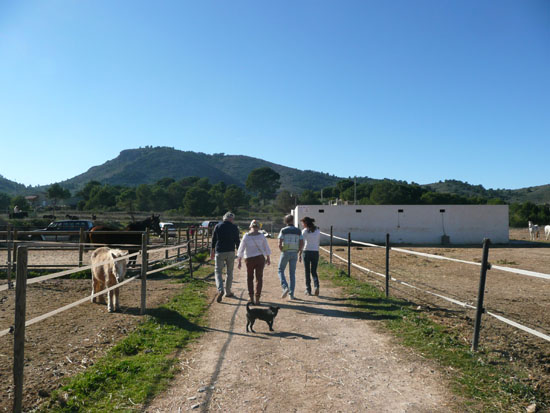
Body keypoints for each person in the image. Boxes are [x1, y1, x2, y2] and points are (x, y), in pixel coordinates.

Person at [237, 220, 271, 304]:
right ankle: (257, 298)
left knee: (250, 278)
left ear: (250, 227)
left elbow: (241, 249)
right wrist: (268, 257)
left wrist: (239, 260)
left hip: (249, 259)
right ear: (258, 227)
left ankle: (251, 297)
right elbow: (266, 247)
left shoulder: (246, 236)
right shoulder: (262, 236)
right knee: (259, 278)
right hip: (260, 258)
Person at [210, 212, 240, 303]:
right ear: (231, 219)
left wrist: (212, 251)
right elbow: (237, 240)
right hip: (230, 251)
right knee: (229, 272)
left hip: (219, 251)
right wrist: (239, 252)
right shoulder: (234, 227)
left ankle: (220, 289)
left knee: (218, 271)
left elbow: (214, 239)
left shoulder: (218, 226)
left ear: (224, 218)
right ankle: (228, 291)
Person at [277, 214, 304, 300]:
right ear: (293, 220)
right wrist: (299, 251)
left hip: (286, 252)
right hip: (294, 253)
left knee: (280, 270)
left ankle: (285, 287)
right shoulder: (298, 231)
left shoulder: (283, 230)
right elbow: (302, 242)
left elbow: (279, 243)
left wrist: (282, 249)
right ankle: (291, 295)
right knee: (292, 273)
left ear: (286, 221)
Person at [299, 217, 321, 296]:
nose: (302, 224)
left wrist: (300, 253)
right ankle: (316, 286)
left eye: (303, 223)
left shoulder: (304, 231)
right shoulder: (317, 231)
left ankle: (308, 290)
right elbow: (318, 241)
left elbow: (302, 243)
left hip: (307, 251)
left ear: (305, 223)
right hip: (315, 252)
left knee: (307, 271)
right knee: (314, 271)